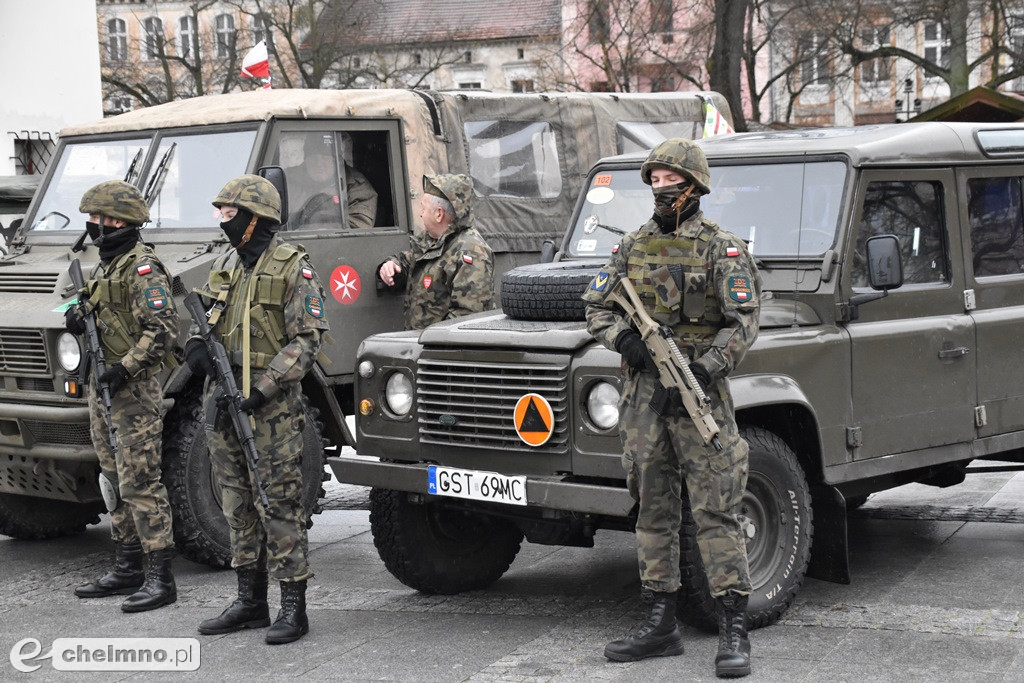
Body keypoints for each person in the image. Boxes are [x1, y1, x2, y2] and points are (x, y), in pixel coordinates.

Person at [582, 139, 759, 679]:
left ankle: (732, 626)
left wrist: (707, 367)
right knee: (652, 509)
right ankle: (660, 623)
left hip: (697, 392)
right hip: (643, 400)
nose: (661, 189)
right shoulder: (632, 246)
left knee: (716, 509)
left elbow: (744, 321)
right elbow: (595, 305)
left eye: (670, 180)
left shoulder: (720, 249)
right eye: (654, 181)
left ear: (694, 186)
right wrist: (623, 340)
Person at [185, 174, 329, 645]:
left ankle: (293, 606)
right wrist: (194, 350)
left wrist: (263, 389)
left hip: (270, 411)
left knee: (278, 505)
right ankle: (250, 602)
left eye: (229, 214)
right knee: (236, 503)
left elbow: (306, 343)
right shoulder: (227, 263)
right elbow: (201, 318)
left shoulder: (293, 267)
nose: (222, 221)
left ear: (254, 219)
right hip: (224, 404)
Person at [67, 180, 178, 613]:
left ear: (120, 222)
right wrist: (79, 317)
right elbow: (106, 315)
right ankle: (127, 564)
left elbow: (163, 331)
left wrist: (124, 368)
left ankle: (160, 577)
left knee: (141, 481)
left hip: (133, 393)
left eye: (99, 219)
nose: (93, 227)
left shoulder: (142, 268)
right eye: (92, 219)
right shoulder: (107, 266)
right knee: (112, 478)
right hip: (103, 388)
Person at [377, 173, 494, 330]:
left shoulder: (471, 252)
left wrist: (432, 345)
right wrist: (392, 266)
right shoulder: (434, 240)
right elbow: (412, 259)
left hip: (442, 351)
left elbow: (466, 321)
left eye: (423, 208)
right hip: (422, 347)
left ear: (439, 214)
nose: (420, 214)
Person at [288, 132, 377, 230]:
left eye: (325, 157)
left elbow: (356, 231)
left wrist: (305, 230)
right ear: (305, 161)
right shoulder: (288, 180)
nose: (319, 164)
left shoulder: (357, 187)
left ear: (337, 161)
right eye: (313, 157)